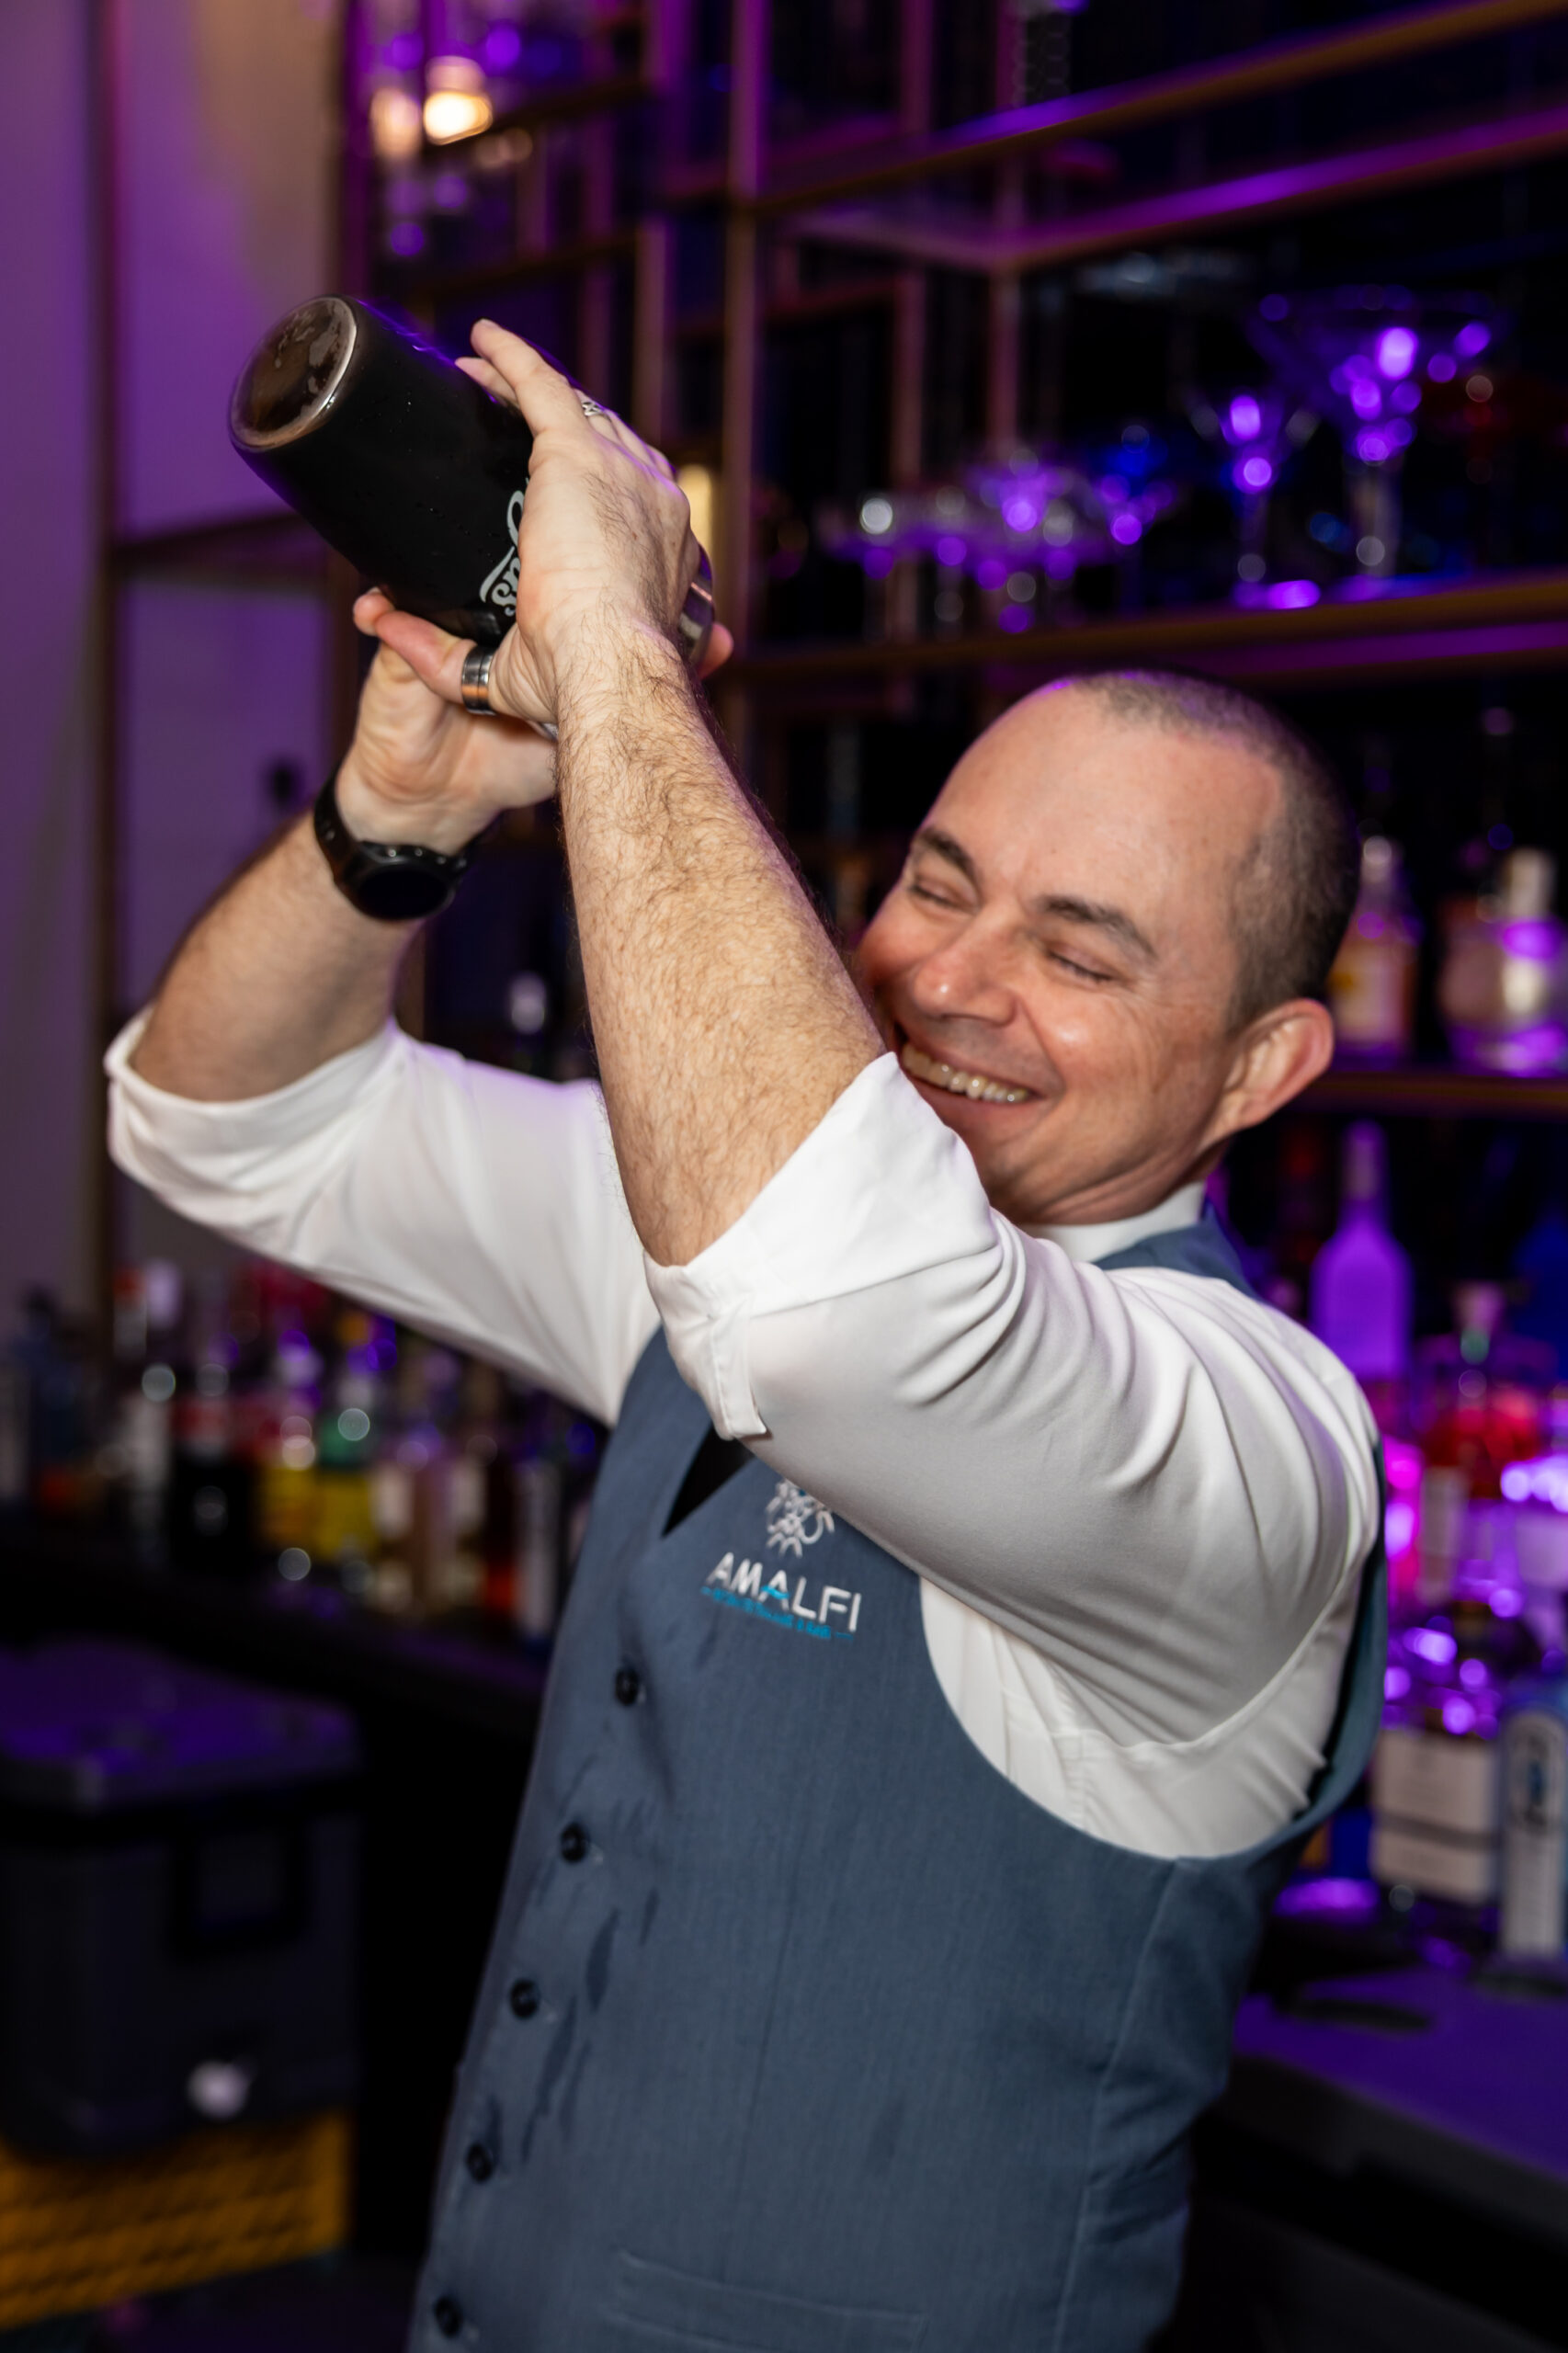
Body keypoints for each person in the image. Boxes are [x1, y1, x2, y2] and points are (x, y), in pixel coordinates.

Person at [108, 323, 1385, 2353]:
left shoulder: (1251, 1448)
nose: (950, 981)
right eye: (939, 885)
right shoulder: (703, 1224)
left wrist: (615, 653)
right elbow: (224, 1121)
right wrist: (395, 817)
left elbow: (833, 1313)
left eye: (1078, 952)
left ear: (1258, 1069)